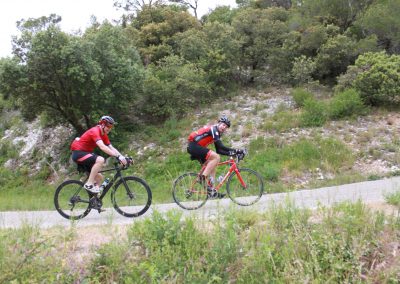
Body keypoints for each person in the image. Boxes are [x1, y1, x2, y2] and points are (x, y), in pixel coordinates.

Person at [187, 115, 242, 198]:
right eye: (223, 125)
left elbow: (219, 150)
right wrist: (236, 151)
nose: (224, 128)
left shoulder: (217, 133)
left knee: (213, 165)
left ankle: (212, 192)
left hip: (196, 147)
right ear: (219, 123)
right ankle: (202, 178)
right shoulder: (214, 129)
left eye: (226, 127)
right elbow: (221, 147)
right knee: (216, 157)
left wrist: (232, 153)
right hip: (194, 146)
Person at [70, 115, 127, 193]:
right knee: (100, 159)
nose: (110, 129)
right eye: (108, 126)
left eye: (111, 127)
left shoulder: (104, 135)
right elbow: (102, 147)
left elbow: (111, 148)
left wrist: (122, 157)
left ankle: (94, 201)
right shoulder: (95, 131)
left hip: (85, 153)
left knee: (99, 178)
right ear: (102, 125)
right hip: (78, 153)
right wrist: (117, 156)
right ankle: (89, 184)